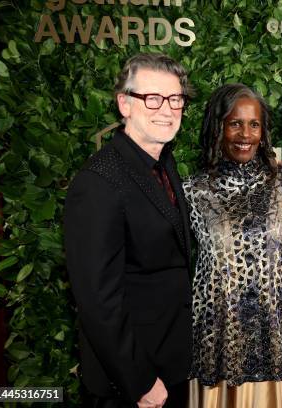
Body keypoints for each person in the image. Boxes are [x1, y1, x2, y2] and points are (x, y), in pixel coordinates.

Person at [182, 83, 282, 408]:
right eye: (235, 123)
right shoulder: (193, 190)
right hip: (222, 342)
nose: (245, 134)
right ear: (217, 127)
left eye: (254, 124)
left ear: (263, 131)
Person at [64, 53, 193, 407]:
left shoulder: (163, 163)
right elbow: (98, 300)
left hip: (171, 364)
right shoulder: (99, 181)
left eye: (175, 99)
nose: (166, 110)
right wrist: (140, 381)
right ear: (125, 104)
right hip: (133, 383)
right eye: (151, 98)